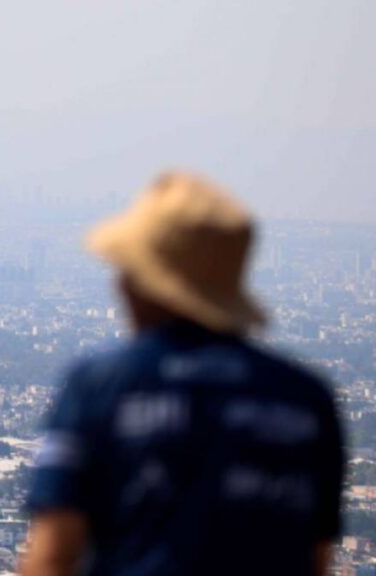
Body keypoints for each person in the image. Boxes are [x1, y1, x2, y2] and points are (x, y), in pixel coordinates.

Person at [17, 171, 344, 576]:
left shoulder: (101, 386)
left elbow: (53, 554)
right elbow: (315, 560)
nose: (119, 285)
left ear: (148, 286)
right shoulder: (305, 400)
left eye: (131, 271)